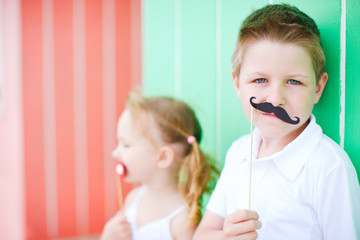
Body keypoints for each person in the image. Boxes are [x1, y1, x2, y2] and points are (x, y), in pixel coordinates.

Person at [194, 3, 360, 240]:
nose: (275, 99)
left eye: (293, 82)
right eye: (260, 80)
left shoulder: (329, 168)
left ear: (318, 89)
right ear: (238, 84)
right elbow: (202, 234)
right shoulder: (239, 152)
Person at [100, 93, 218, 240]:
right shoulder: (133, 199)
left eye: (126, 144)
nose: (115, 153)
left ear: (163, 157)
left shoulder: (182, 220)